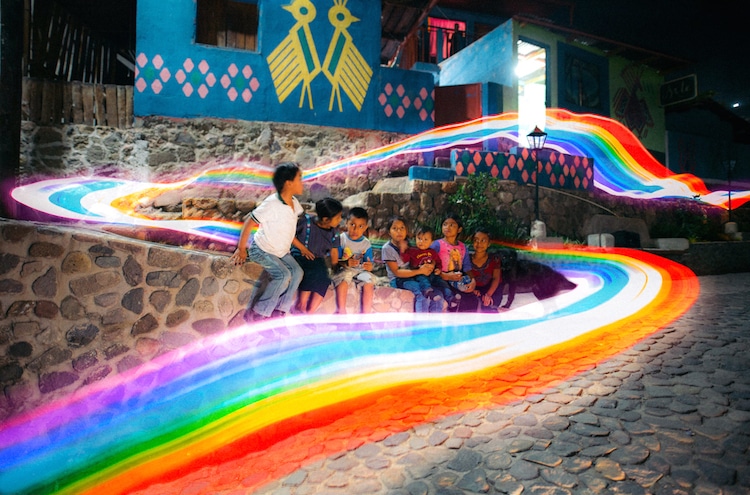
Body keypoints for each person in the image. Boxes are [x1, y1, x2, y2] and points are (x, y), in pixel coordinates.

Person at [230, 162, 304, 321]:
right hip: (262, 250)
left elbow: (288, 230)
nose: (302, 182)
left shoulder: (295, 204)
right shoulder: (272, 204)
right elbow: (250, 222)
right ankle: (259, 313)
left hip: (281, 252)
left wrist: (302, 248)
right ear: (288, 183)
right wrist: (242, 249)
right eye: (299, 178)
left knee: (297, 272)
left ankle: (279, 310)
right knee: (283, 275)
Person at [291, 197, 343, 314]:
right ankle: (301, 305)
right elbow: (290, 236)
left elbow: (334, 250)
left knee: (325, 278)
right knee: (312, 272)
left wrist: (335, 267)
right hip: (300, 255)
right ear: (325, 219)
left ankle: (310, 312)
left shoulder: (334, 232)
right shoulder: (306, 223)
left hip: (317, 258)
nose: (340, 219)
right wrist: (303, 249)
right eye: (338, 217)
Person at [380, 217, 443, 313]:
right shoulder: (387, 248)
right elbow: (397, 272)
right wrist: (420, 271)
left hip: (415, 276)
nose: (399, 231)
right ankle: (420, 325)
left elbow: (428, 255)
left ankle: (433, 325)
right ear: (389, 232)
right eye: (395, 228)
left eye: (402, 228)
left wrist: (431, 265)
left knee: (437, 294)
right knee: (421, 294)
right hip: (399, 279)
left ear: (406, 230)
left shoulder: (409, 244)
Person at [400, 225, 458, 311]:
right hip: (420, 273)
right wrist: (403, 250)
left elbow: (438, 262)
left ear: (431, 242)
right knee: (422, 279)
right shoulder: (412, 251)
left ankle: (450, 298)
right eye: (419, 238)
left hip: (432, 274)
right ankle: (428, 291)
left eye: (425, 239)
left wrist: (438, 269)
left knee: (442, 282)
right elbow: (405, 260)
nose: (421, 242)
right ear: (415, 238)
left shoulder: (432, 252)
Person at [332, 207, 374, 313]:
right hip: (344, 270)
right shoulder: (341, 239)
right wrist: (346, 263)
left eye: (360, 226)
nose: (355, 230)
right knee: (344, 280)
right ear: (346, 223)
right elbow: (335, 261)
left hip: (359, 271)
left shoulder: (366, 243)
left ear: (365, 228)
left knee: (369, 281)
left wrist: (369, 266)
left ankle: (366, 315)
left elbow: (369, 262)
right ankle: (341, 311)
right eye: (352, 225)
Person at [430, 213, 476, 311]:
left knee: (472, 300)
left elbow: (467, 267)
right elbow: (429, 265)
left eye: (452, 225)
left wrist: (473, 281)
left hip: (457, 279)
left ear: (459, 229)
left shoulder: (463, 247)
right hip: (440, 278)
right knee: (453, 300)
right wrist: (445, 276)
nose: (448, 227)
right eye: (445, 224)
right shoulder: (436, 245)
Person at [463, 227, 503, 312]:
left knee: (488, 306)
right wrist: (472, 289)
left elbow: (496, 278)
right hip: (474, 288)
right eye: (476, 240)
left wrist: (488, 295)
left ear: (489, 243)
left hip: (491, 289)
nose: (479, 243)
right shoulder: (467, 259)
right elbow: (464, 277)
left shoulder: (494, 259)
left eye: (483, 240)